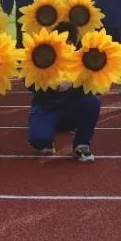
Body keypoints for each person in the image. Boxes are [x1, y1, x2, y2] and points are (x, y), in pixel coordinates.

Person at [26, 23, 100, 163]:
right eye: (62, 42)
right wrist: (51, 85)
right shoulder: (41, 54)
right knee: (39, 141)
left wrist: (73, 83)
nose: (66, 47)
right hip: (46, 107)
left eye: (69, 44)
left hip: (70, 109)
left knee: (92, 101)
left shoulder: (82, 58)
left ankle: (82, 145)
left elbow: (94, 87)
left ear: (74, 44)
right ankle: (43, 130)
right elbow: (29, 86)